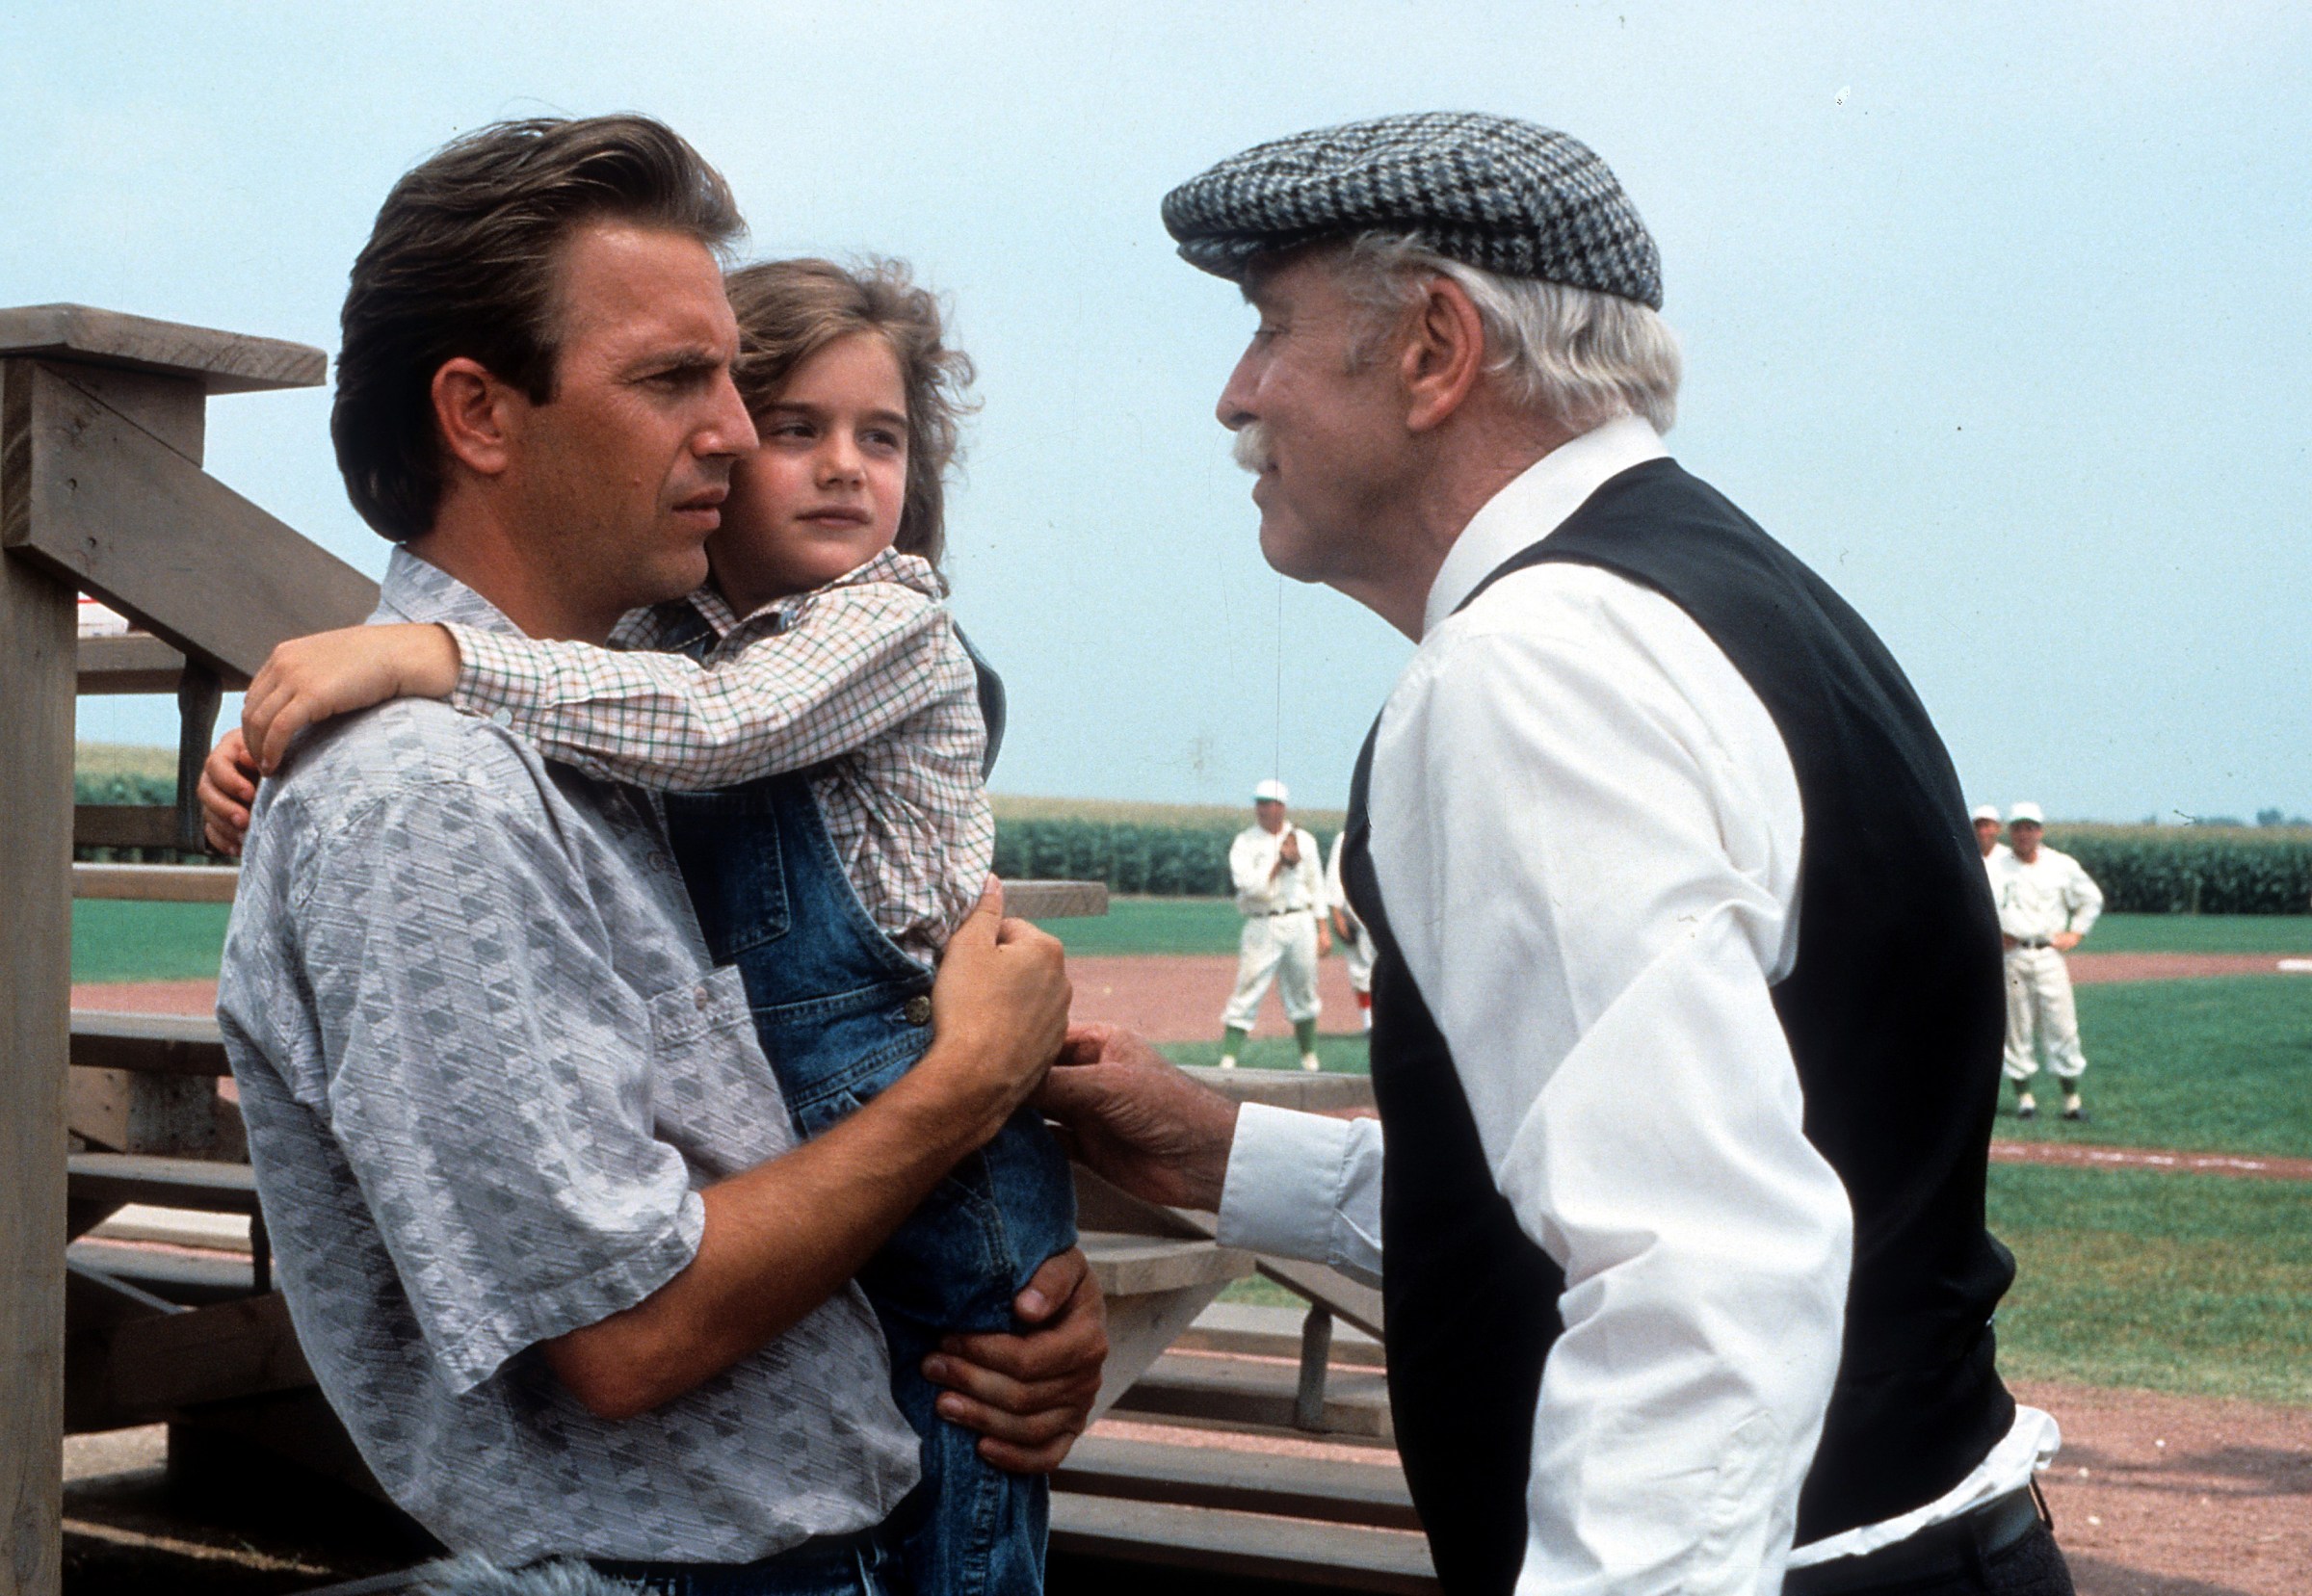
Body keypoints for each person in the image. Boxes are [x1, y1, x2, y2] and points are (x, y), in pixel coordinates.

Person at [1043, 112, 2069, 1595]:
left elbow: (1695, 1286)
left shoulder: (1529, 666)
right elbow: (1632, 1165)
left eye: (1271, 328)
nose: (1234, 396)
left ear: (1435, 350)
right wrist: (1225, 1155)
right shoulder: (1724, 592)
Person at [199, 117, 1104, 1591]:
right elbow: (629, 1334)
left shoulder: (584, 715)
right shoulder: (431, 793)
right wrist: (962, 1092)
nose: (743, 434)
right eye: (678, 380)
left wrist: (999, 1310)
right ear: (481, 416)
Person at [1994, 802, 2105, 1122]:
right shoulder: (1995, 867)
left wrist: (2076, 933)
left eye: (2030, 827)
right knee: (2016, 1028)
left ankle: (2071, 1100)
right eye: (2018, 827)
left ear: (2040, 831)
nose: (2024, 834)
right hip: (2012, 957)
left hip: (2048, 954)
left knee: (2062, 1026)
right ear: (2010, 831)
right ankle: (2025, 1100)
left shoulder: (2061, 865)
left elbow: (2091, 899)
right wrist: (1994, 933)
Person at [1217, 778, 1330, 1070]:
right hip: (1263, 922)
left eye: (1269, 803)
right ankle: (1228, 1060)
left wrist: (1323, 929)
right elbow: (1248, 887)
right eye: (1259, 803)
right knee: (1248, 987)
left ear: (1282, 807)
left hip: (1299, 919)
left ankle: (1309, 1058)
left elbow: (1316, 885)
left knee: (1304, 988)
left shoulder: (1304, 840)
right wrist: (1279, 864)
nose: (1262, 809)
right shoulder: (1245, 842)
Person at [1324, 828, 1375, 1032]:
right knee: (1361, 973)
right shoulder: (1347, 836)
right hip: (1357, 916)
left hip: (1389, 916)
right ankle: (1368, 1024)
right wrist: (1336, 915)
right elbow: (1335, 876)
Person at [1975, 802, 2010, 873]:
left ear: (1998, 828)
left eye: (1986, 826)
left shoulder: (2008, 856)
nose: (1982, 831)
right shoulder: (1967, 856)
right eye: (1978, 826)